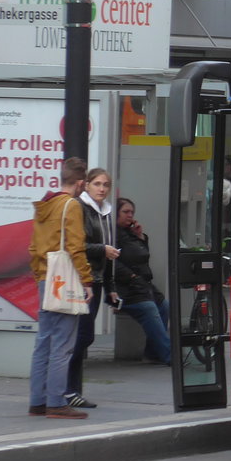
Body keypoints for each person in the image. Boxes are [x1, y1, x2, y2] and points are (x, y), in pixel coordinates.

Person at [28, 157, 93, 420]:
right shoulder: (71, 206)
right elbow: (76, 247)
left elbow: (33, 247)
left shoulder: (45, 204)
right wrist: (86, 280)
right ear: (79, 183)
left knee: (44, 341)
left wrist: (39, 274)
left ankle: (37, 401)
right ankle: (56, 402)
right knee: (63, 343)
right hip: (63, 279)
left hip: (45, 277)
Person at [64, 167, 120, 409]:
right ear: (86, 185)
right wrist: (102, 250)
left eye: (105, 185)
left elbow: (108, 252)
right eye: (97, 183)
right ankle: (68, 390)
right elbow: (78, 244)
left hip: (96, 280)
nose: (101, 188)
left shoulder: (105, 212)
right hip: (80, 279)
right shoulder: (81, 208)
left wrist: (111, 287)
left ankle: (69, 389)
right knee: (80, 336)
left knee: (82, 337)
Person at [113, 197, 171, 364]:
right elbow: (113, 263)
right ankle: (167, 354)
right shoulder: (113, 235)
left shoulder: (131, 234)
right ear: (116, 214)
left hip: (143, 284)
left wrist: (139, 237)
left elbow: (143, 256)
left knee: (164, 306)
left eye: (132, 212)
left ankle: (153, 352)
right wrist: (131, 276)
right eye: (125, 212)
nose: (129, 215)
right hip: (126, 287)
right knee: (149, 308)